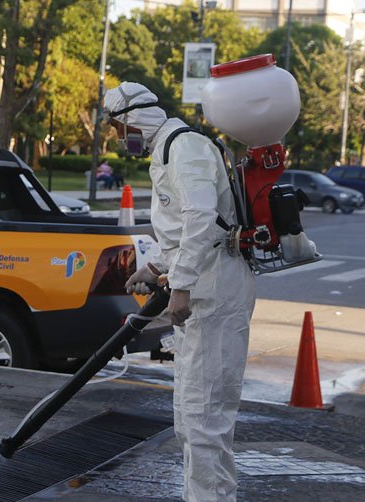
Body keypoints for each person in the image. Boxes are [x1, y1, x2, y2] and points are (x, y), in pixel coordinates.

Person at [105, 82, 255, 502]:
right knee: (195, 419)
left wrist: (182, 286)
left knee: (203, 416)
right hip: (207, 289)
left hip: (212, 293)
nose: (120, 138)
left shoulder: (184, 146)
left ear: (138, 117)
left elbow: (202, 218)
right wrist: (154, 266)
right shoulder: (169, 149)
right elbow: (183, 229)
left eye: (120, 128)